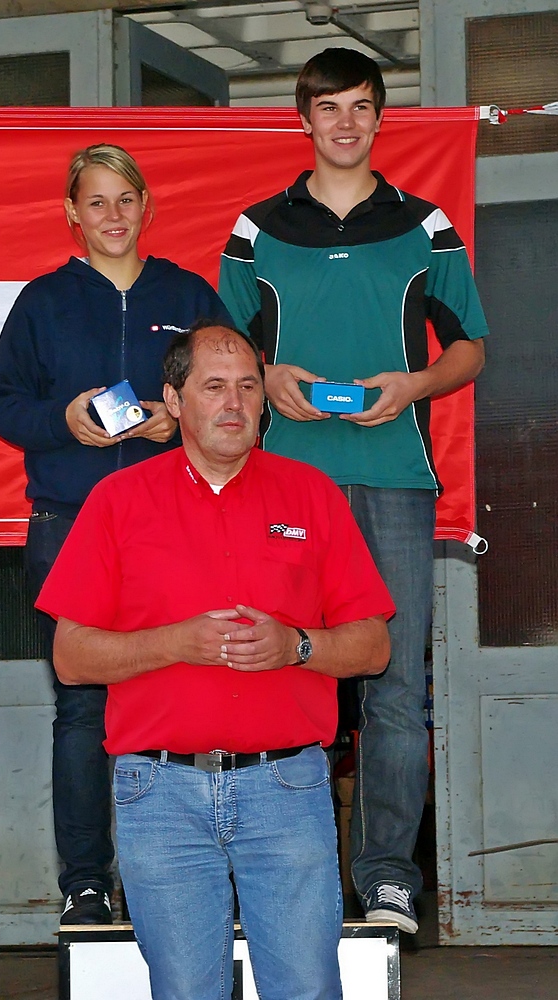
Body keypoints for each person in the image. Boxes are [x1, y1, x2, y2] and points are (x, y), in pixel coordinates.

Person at [36, 322, 395, 1000]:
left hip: (287, 789)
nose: (233, 404)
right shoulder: (117, 502)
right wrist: (175, 643)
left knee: (307, 990)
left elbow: (374, 645)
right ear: (173, 401)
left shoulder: (312, 495)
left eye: (247, 387)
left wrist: (298, 646)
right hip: (159, 793)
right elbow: (72, 657)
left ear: (264, 400)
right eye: (212, 387)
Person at [218, 48, 489, 934]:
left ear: (380, 119)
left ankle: (387, 884)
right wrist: (267, 372)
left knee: (395, 687)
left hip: (394, 480)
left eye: (360, 108)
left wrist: (413, 386)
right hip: (282, 480)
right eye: (327, 107)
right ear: (303, 118)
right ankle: (280, 878)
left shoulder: (428, 223)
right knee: (277, 675)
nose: (344, 122)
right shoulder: (255, 228)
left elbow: (470, 348)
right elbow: (224, 357)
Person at [0, 143, 229, 925]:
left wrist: (176, 418)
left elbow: (231, 399)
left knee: (183, 696)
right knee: (83, 710)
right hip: (71, 526)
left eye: (126, 199)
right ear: (71, 213)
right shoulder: (41, 302)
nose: (113, 216)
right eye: (97, 202)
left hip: (175, 525)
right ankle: (85, 884)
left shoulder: (189, 294)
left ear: (145, 206)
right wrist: (61, 420)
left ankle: (186, 880)